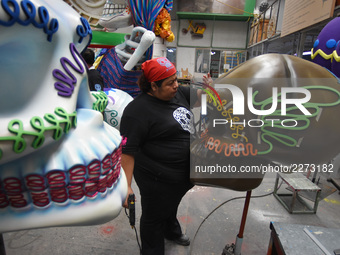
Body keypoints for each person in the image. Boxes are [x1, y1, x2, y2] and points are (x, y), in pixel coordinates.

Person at [120, 57, 202, 255]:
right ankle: (152, 250)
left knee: (170, 204)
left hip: (181, 175)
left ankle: (171, 231)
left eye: (176, 80)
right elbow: (127, 151)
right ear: (153, 86)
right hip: (156, 178)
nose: (176, 85)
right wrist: (127, 186)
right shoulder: (137, 111)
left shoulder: (179, 93)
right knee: (153, 216)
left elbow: (203, 96)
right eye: (170, 82)